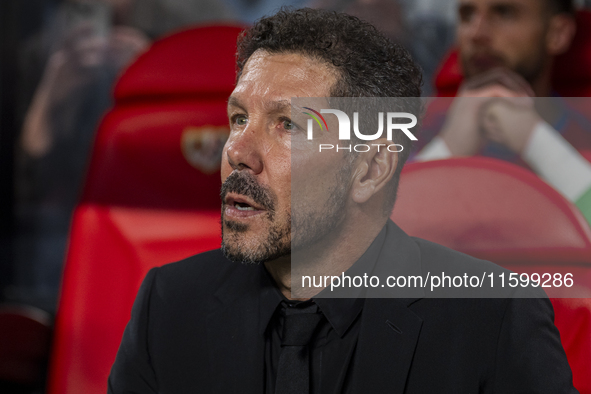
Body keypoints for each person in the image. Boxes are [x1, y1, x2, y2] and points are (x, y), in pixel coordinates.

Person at [108, 8, 576, 393]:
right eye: (237, 118)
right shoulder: (169, 304)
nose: (236, 152)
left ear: (371, 169)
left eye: (287, 125)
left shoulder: (491, 316)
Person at [414, 0, 591, 224]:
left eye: (504, 13)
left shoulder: (586, 138)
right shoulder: (413, 136)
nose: (476, 33)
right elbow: (368, 241)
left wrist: (534, 139)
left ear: (558, 33)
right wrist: (449, 147)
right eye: (467, 15)